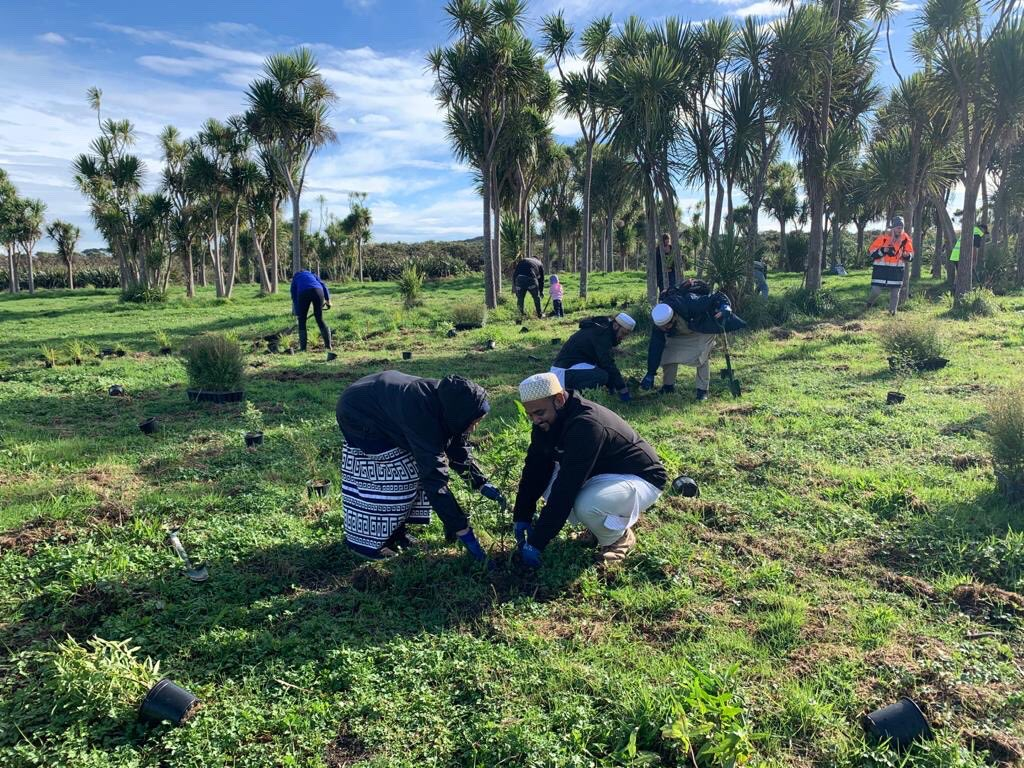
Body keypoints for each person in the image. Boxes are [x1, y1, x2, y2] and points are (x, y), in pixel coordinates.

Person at [336, 371, 507, 561]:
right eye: (473, 422)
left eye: (477, 422)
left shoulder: (450, 405)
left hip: (384, 403)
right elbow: (434, 480)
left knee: (412, 472)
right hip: (358, 414)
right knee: (399, 478)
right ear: (461, 416)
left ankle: (396, 535)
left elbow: (457, 447)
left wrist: (480, 482)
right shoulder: (423, 416)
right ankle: (367, 544)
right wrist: (462, 530)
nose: (474, 428)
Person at [512, 373, 667, 569]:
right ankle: (599, 527)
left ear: (559, 400)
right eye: (530, 415)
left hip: (641, 479)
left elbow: (567, 487)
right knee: (547, 483)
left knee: (586, 505)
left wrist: (536, 543)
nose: (535, 420)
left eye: (539, 413)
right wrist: (522, 515)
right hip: (602, 476)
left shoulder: (586, 424)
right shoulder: (545, 422)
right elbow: (535, 469)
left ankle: (618, 537)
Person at [640, 279, 743, 401]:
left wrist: (725, 306)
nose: (664, 329)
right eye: (661, 328)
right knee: (667, 353)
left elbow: (717, 296)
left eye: (666, 326)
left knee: (701, 355)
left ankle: (702, 391)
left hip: (702, 329)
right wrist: (650, 373)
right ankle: (668, 387)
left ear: (673, 316)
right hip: (680, 334)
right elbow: (655, 347)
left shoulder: (691, 302)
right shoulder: (660, 324)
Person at [550, 313, 636, 401]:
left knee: (602, 372)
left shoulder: (602, 330)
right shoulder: (602, 334)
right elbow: (607, 363)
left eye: (626, 335)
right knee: (602, 376)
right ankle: (572, 395)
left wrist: (612, 386)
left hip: (571, 367)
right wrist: (622, 388)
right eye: (623, 333)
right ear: (615, 326)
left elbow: (602, 362)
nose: (623, 337)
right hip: (563, 372)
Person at [865, 217, 913, 315]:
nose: (900, 230)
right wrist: (883, 250)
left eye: (901, 228)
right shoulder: (883, 238)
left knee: (895, 293)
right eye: (898, 227)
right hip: (881, 270)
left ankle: (892, 313)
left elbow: (911, 255)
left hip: (896, 271)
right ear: (893, 228)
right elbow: (870, 252)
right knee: (876, 291)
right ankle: (869, 303)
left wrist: (907, 255)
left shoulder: (906, 239)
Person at [290, 269, 332, 352]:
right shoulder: (312, 274)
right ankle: (328, 346)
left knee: (302, 321)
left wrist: (299, 313)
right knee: (319, 319)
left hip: (304, 293)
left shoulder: (295, 278)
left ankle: (303, 349)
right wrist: (328, 300)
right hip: (318, 291)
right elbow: (323, 285)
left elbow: (294, 296)